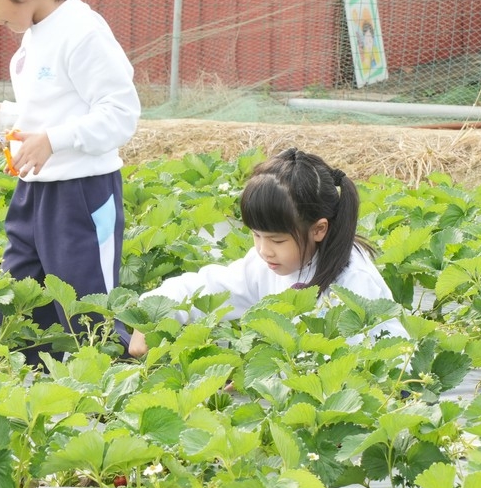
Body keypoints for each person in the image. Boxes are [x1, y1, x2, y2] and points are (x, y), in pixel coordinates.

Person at [0, 0, 141, 365]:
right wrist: (4, 114)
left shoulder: (81, 31)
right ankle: (37, 385)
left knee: (87, 307)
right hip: (34, 192)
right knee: (21, 297)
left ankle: (112, 385)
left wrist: (54, 140)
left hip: (82, 193)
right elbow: (53, 106)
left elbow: (120, 113)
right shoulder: (34, 36)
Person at [128, 148, 402, 357]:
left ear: (319, 229)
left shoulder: (354, 282)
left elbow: (363, 365)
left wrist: (272, 378)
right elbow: (208, 287)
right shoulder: (266, 263)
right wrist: (153, 311)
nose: (263, 250)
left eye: (277, 240)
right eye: (256, 235)